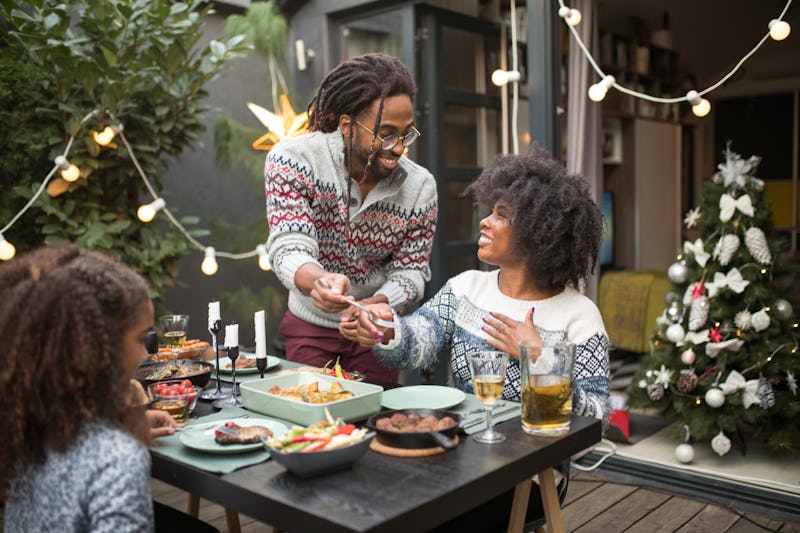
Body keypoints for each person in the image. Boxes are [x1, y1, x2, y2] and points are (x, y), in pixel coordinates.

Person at [352, 148, 611, 531]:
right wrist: (386, 328)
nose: (485, 221)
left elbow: (597, 420)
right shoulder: (466, 288)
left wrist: (540, 359)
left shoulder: (580, 315)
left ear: (540, 232)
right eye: (491, 210)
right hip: (457, 453)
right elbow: (418, 340)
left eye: (501, 215)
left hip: (532, 473)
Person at [265, 52, 438, 384]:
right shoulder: (292, 160)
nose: (399, 147)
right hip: (311, 325)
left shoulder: (420, 187)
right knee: (313, 418)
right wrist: (318, 280)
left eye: (406, 133)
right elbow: (289, 245)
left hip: (375, 330)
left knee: (373, 419)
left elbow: (412, 271)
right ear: (347, 126)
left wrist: (378, 305)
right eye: (386, 134)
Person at [0, 245, 169, 532]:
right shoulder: (117, 461)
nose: (145, 355)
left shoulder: (24, 431)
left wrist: (123, 427)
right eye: (141, 339)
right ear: (96, 350)